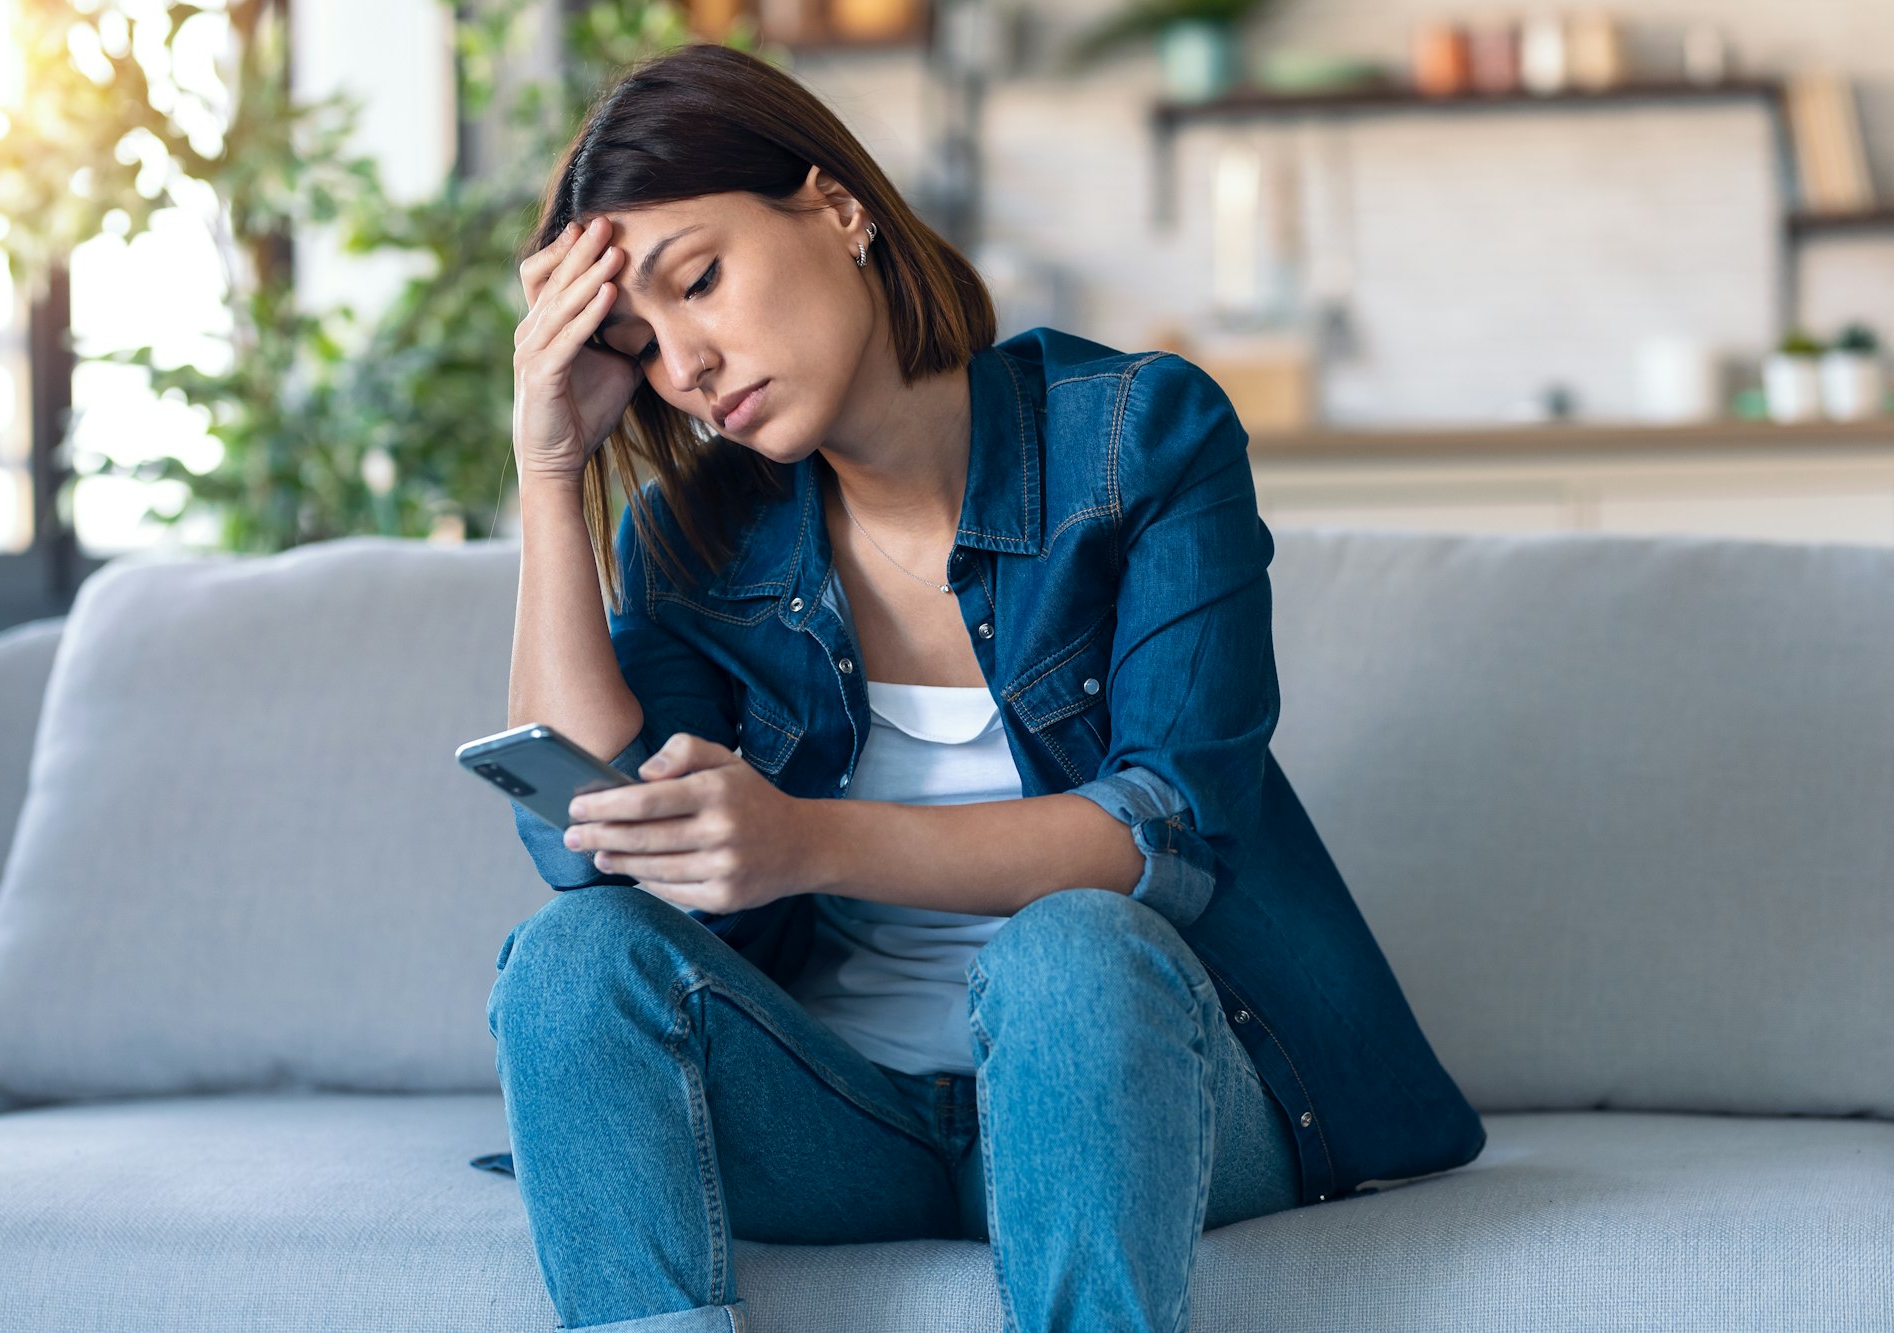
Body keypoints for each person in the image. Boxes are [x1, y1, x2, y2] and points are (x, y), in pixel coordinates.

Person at [475, 41, 1486, 1333]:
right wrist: (551, 463)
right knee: (572, 957)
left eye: (702, 281)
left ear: (836, 205)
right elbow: (585, 848)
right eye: (637, 342)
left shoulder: (1140, 440)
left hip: (1137, 1085)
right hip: (847, 1112)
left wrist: (804, 841)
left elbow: (1166, 836)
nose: (688, 367)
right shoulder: (692, 535)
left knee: (1069, 943)